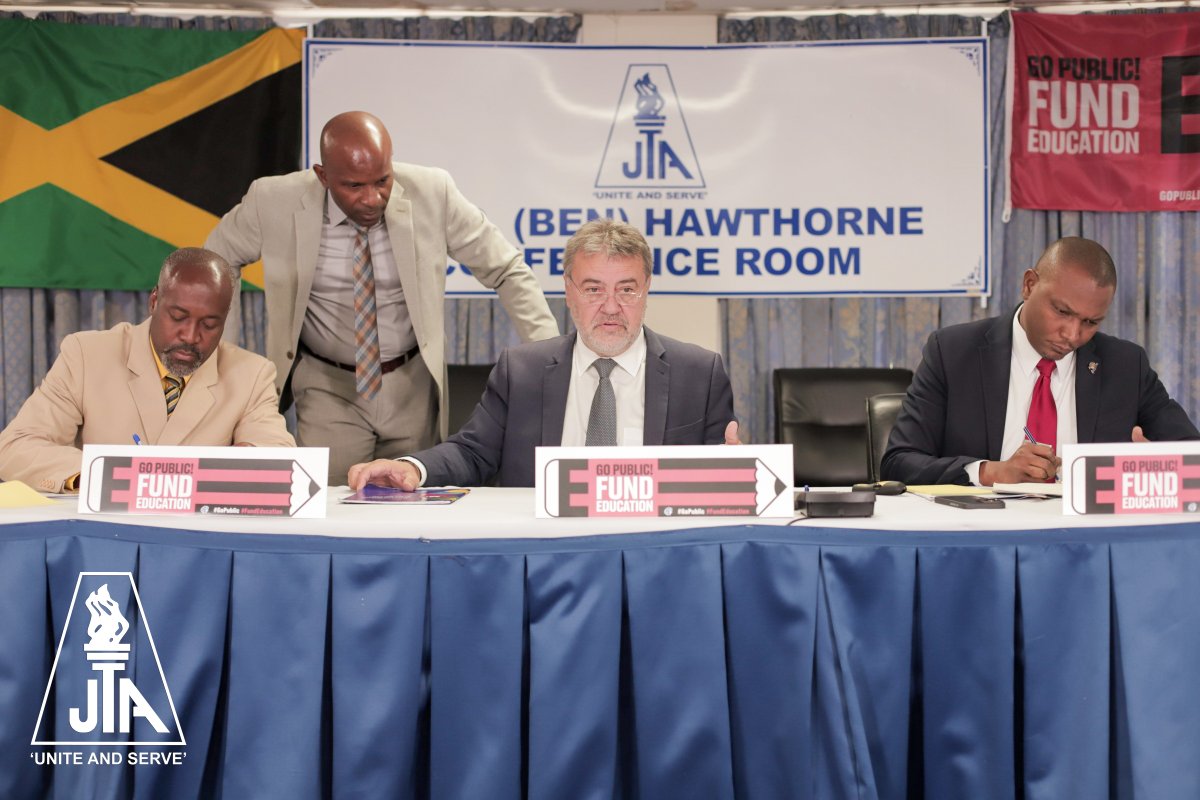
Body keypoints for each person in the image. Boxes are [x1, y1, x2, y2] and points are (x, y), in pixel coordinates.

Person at [204, 110, 559, 485]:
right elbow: (214, 262)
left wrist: (550, 361)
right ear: (323, 176)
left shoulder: (433, 192)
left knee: (409, 505)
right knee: (332, 507)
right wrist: (224, 362)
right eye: (354, 186)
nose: (373, 198)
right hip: (327, 385)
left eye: (382, 181)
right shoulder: (272, 199)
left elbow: (507, 269)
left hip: (411, 386)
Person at [347, 219, 740, 490]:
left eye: (626, 289)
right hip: (545, 557)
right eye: (593, 289)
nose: (610, 306)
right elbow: (471, 453)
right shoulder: (522, 371)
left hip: (652, 555)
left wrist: (734, 470)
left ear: (647, 289)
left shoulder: (699, 374)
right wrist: (410, 467)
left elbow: (719, 481)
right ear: (569, 292)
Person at [881, 236, 1199, 486]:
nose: (1073, 334)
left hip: (1087, 543)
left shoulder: (1125, 365)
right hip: (981, 539)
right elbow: (898, 462)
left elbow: (1193, 457)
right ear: (1030, 285)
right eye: (1062, 312)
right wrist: (991, 472)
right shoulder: (953, 352)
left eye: (1091, 322)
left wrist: (1161, 465)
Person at [0, 248, 295, 493]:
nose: (191, 336)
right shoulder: (86, 355)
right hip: (104, 537)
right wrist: (103, 475)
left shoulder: (252, 374)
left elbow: (278, 457)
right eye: (178, 317)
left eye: (209, 324)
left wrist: (247, 459)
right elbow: (15, 447)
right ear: (154, 302)